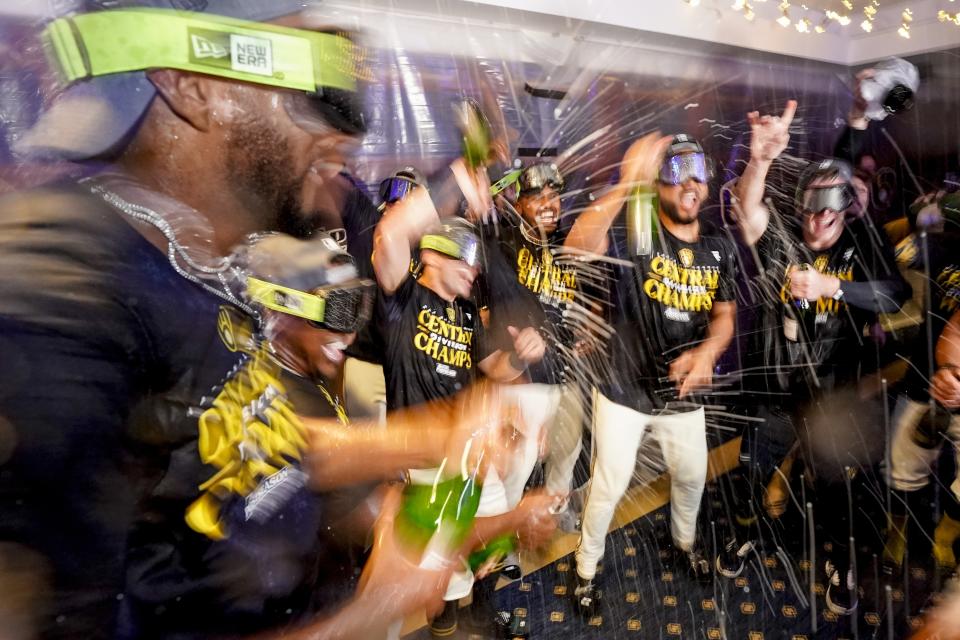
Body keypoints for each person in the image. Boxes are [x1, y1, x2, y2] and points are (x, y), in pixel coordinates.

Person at [0, 4, 499, 638]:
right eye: (312, 75)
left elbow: (234, 436)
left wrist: (427, 435)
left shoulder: (195, 258)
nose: (347, 127)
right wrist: (364, 618)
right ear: (193, 84)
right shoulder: (58, 306)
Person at [727, 100, 910, 615]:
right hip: (779, 390)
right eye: (810, 214)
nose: (817, 226)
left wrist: (833, 284)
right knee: (754, 471)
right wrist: (760, 161)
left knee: (831, 485)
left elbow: (896, 295)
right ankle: (748, 536)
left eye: (828, 217)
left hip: (831, 395)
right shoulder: (784, 234)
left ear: (844, 212)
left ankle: (840, 563)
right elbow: (750, 212)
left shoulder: (860, 241)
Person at [564, 132, 738, 612]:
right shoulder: (636, 233)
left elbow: (725, 317)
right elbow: (578, 247)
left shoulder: (719, 246)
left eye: (699, 174)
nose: (691, 184)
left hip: (682, 392)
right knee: (610, 484)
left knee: (690, 477)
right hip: (624, 389)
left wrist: (706, 354)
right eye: (678, 173)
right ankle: (586, 567)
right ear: (659, 184)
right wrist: (626, 181)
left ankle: (683, 544)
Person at [373, 189, 558, 636]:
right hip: (422, 462)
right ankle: (446, 618)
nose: (476, 268)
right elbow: (391, 234)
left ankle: (476, 610)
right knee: (442, 560)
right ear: (434, 254)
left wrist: (520, 356)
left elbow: (491, 368)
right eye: (467, 256)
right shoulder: (401, 301)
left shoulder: (467, 315)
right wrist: (457, 175)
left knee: (489, 537)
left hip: (469, 452)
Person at [481, 161, 590, 526]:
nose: (548, 203)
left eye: (554, 195)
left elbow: (592, 296)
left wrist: (592, 321)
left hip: (565, 376)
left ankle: (552, 513)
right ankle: (498, 538)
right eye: (536, 196)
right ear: (520, 203)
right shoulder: (502, 245)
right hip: (520, 381)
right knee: (512, 468)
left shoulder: (568, 243)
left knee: (566, 453)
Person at [883, 220, 960, 573]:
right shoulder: (948, 242)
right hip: (923, 378)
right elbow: (896, 248)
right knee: (901, 470)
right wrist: (917, 220)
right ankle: (896, 532)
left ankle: (944, 537)